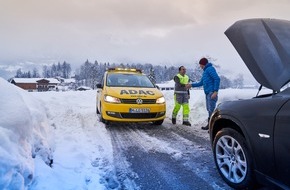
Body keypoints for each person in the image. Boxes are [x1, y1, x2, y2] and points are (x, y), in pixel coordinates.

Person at [188, 58, 220, 130]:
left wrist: (215, 91)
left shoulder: (210, 69)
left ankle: (213, 127)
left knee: (211, 110)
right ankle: (210, 125)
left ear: (203, 64)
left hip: (212, 92)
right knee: (209, 110)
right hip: (208, 93)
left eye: (200, 65)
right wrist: (191, 85)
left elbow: (217, 79)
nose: (200, 66)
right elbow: (201, 83)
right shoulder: (205, 72)